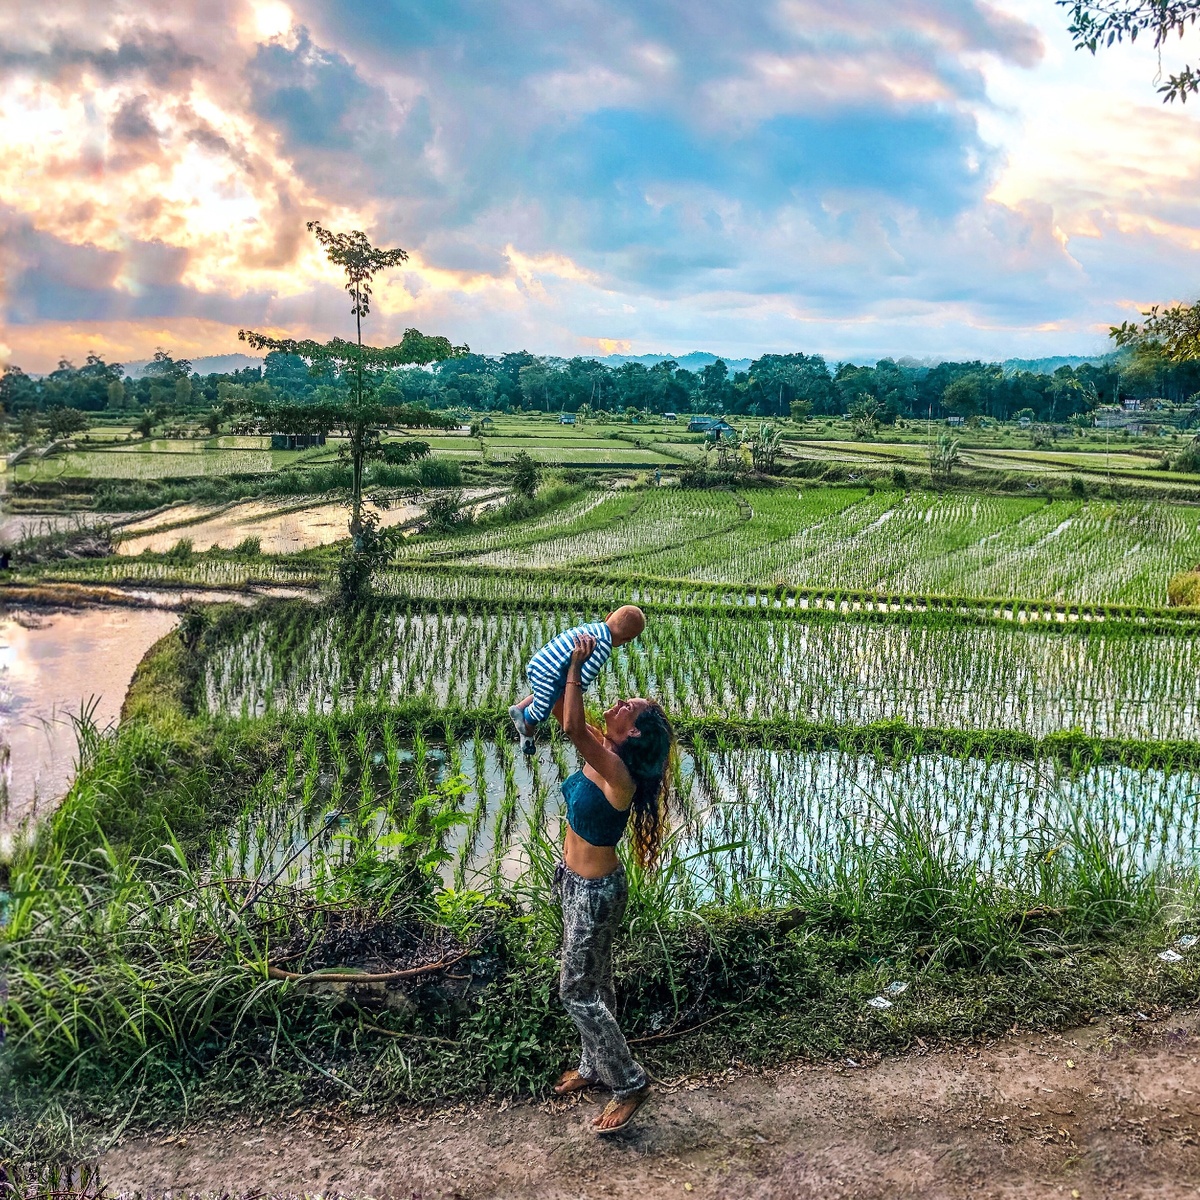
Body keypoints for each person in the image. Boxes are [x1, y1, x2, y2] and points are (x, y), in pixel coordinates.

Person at [547, 630, 676, 1135]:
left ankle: (629, 1082)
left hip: (596, 896)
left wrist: (579, 667)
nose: (619, 702)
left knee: (575, 991)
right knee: (595, 981)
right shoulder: (606, 750)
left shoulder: (618, 774)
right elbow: (563, 711)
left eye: (629, 706)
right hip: (572, 883)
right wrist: (564, 660)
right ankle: (592, 1064)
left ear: (636, 733)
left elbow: (574, 727)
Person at [508, 605, 645, 756]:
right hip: (548, 672)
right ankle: (527, 723)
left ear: (609, 616)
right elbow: (586, 674)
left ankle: (519, 708)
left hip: (543, 662)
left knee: (552, 693)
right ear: (626, 639)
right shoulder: (604, 646)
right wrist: (577, 691)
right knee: (542, 709)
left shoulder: (593, 627)